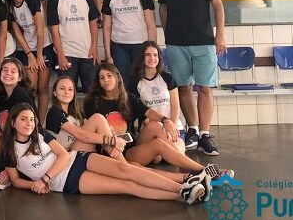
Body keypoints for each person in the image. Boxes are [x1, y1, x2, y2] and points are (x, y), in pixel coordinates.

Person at [0, 103, 208, 204]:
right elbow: (16, 181)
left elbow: (63, 155)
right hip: (65, 182)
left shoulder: (41, 134)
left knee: (126, 170)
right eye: (23, 119)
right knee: (127, 186)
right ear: (13, 122)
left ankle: (183, 187)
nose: (29, 123)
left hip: (75, 159)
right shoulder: (9, 150)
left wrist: (44, 178)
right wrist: (35, 185)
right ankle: (182, 194)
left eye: (31, 119)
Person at [83, 63, 230, 183]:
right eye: (102, 78)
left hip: (128, 151)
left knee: (156, 130)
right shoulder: (92, 102)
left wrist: (166, 120)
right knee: (141, 169)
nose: (106, 80)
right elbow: (90, 132)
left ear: (117, 78)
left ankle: (200, 169)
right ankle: (194, 173)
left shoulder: (127, 98)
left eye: (109, 76)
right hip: (109, 153)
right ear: (98, 82)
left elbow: (148, 112)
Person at [158, 0, 225, 156]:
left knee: (205, 88)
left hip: (204, 41)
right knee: (184, 87)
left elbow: (218, 6)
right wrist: (168, 34)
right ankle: (193, 130)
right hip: (177, 43)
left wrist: (220, 35)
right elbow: (163, 9)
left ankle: (205, 134)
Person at [2, 0, 54, 123]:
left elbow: (40, 28)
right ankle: (31, 121)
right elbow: (18, 33)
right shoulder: (9, 6)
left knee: (43, 87)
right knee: (30, 88)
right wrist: (29, 54)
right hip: (28, 48)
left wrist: (39, 55)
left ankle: (40, 123)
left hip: (44, 46)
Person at [101, 0, 156, 88]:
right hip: (119, 46)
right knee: (122, 83)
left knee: (141, 81)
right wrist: (108, 55)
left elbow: (151, 25)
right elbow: (107, 28)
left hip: (141, 45)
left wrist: (152, 49)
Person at [47, 0, 99, 93]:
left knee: (93, 92)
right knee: (67, 92)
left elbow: (93, 22)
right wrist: (60, 55)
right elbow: (54, 31)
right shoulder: (54, 1)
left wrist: (94, 46)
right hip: (67, 54)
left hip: (87, 52)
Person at [45, 75, 125, 159]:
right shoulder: (54, 112)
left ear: (74, 93)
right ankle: (122, 163)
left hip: (80, 150)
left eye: (70, 89)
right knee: (97, 118)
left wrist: (111, 138)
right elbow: (80, 135)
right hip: (65, 156)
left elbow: (90, 132)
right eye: (62, 88)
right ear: (54, 92)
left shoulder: (76, 112)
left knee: (98, 121)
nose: (66, 92)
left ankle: (121, 163)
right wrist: (112, 140)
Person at [0, 57, 35, 191]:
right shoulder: (2, 98)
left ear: (19, 77)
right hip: (10, 142)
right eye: (5, 70)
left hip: (25, 144)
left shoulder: (20, 93)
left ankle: (11, 172)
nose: (8, 73)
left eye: (13, 71)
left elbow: (30, 124)